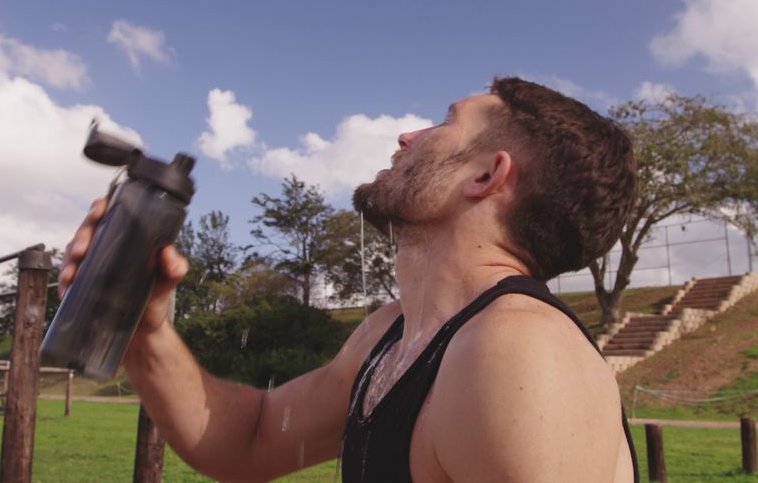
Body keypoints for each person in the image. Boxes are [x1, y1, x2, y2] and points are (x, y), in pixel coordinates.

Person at [61, 77, 640, 482]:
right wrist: (145, 329)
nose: (408, 136)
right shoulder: (392, 331)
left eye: (445, 122)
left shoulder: (520, 353)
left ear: (487, 173)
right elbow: (250, 440)